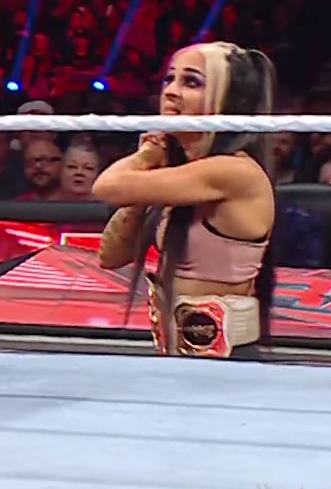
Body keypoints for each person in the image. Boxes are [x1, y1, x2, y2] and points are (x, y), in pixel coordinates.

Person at [91, 42, 278, 357]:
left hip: (223, 360)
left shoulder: (233, 172)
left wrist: (146, 154)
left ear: (227, 100)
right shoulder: (183, 174)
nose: (171, 92)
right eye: (170, 79)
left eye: (191, 82)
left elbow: (105, 187)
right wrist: (147, 181)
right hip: (178, 356)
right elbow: (110, 256)